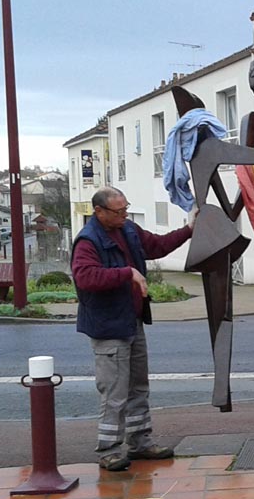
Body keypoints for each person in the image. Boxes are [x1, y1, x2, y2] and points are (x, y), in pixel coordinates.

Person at [71, 187, 196, 471]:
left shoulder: (128, 229)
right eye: (118, 211)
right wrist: (127, 273)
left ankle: (140, 442)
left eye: (126, 208)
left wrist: (189, 229)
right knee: (114, 392)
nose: (124, 215)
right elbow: (86, 277)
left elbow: (158, 245)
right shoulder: (88, 241)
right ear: (99, 211)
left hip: (130, 321)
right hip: (108, 327)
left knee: (138, 386)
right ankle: (109, 450)